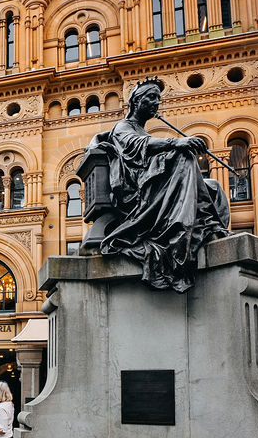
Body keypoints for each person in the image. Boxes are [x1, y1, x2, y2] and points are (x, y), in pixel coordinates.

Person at [81, 77, 229, 292]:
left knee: (213, 186)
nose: (155, 102)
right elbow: (137, 146)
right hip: (136, 192)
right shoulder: (123, 127)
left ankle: (209, 226)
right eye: (150, 97)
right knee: (183, 156)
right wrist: (177, 142)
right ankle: (179, 232)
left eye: (158, 99)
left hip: (154, 185)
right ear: (135, 102)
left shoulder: (143, 130)